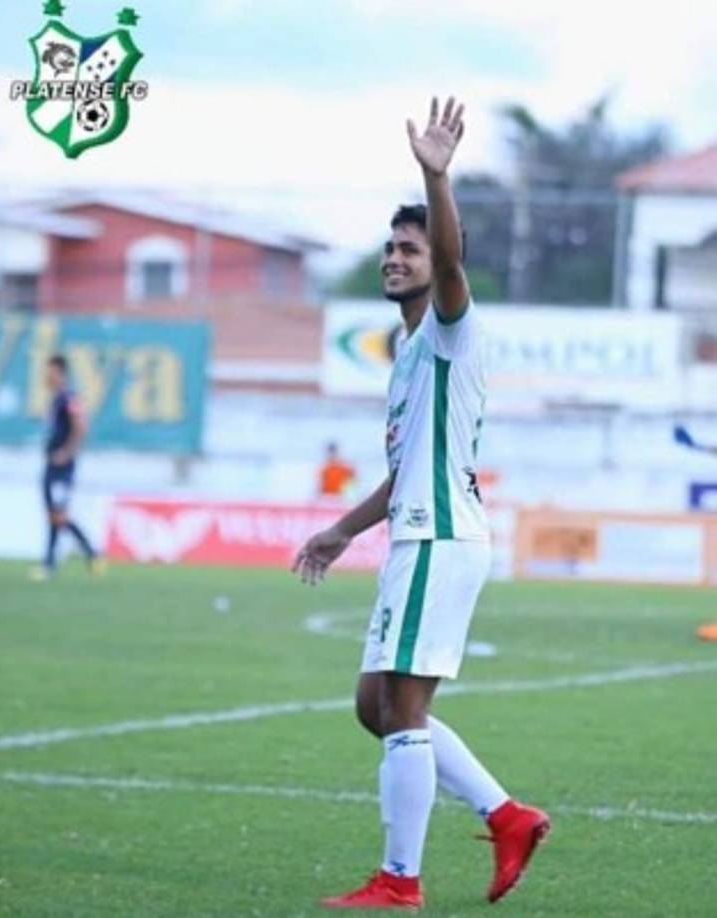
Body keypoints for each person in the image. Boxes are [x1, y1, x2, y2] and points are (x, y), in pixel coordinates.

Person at [293, 97, 549, 909]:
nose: (394, 257)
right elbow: (403, 471)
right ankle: (507, 815)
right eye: (389, 246)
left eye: (409, 247)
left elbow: (449, 259)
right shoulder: (409, 355)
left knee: (403, 708)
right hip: (419, 532)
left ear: (439, 261)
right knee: (376, 706)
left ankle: (399, 880)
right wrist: (340, 530)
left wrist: (436, 177)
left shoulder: (449, 329)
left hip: (440, 538)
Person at [30, 354, 103, 580]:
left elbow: (81, 425)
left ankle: (89, 553)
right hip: (51, 464)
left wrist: (67, 452)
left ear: (60, 373)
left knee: (59, 515)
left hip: (62, 467)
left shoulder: (69, 397)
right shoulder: (56, 398)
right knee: (53, 514)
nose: (47, 376)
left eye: (50, 371)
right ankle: (51, 562)